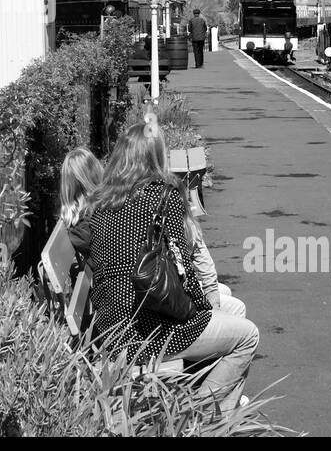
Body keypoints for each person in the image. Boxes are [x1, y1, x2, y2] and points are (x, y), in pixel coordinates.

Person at [84, 123, 258, 414]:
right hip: (153, 331)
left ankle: (204, 410)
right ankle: (204, 418)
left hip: (112, 327)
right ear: (155, 157)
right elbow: (182, 271)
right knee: (247, 336)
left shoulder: (100, 203)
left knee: (231, 317)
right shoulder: (162, 198)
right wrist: (203, 310)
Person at [62, 144, 244, 316]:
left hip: (131, 290)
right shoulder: (106, 211)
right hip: (146, 293)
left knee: (222, 291)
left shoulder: (79, 224)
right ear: (96, 173)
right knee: (235, 309)